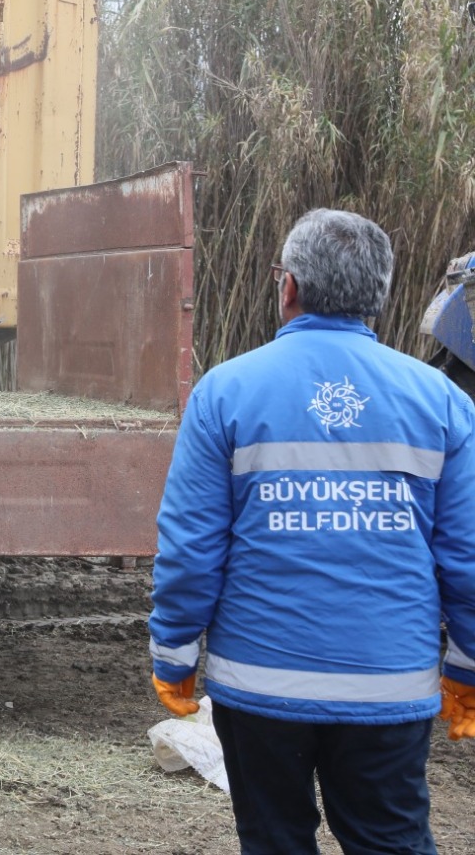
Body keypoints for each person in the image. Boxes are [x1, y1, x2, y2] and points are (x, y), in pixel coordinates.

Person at [148, 208, 475, 855]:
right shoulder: (442, 402)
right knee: (391, 841)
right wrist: (466, 665)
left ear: (288, 286)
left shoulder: (224, 392)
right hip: (390, 687)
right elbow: (466, 558)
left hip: (260, 686)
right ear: (380, 294)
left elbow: (191, 549)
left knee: (274, 840)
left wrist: (175, 654)